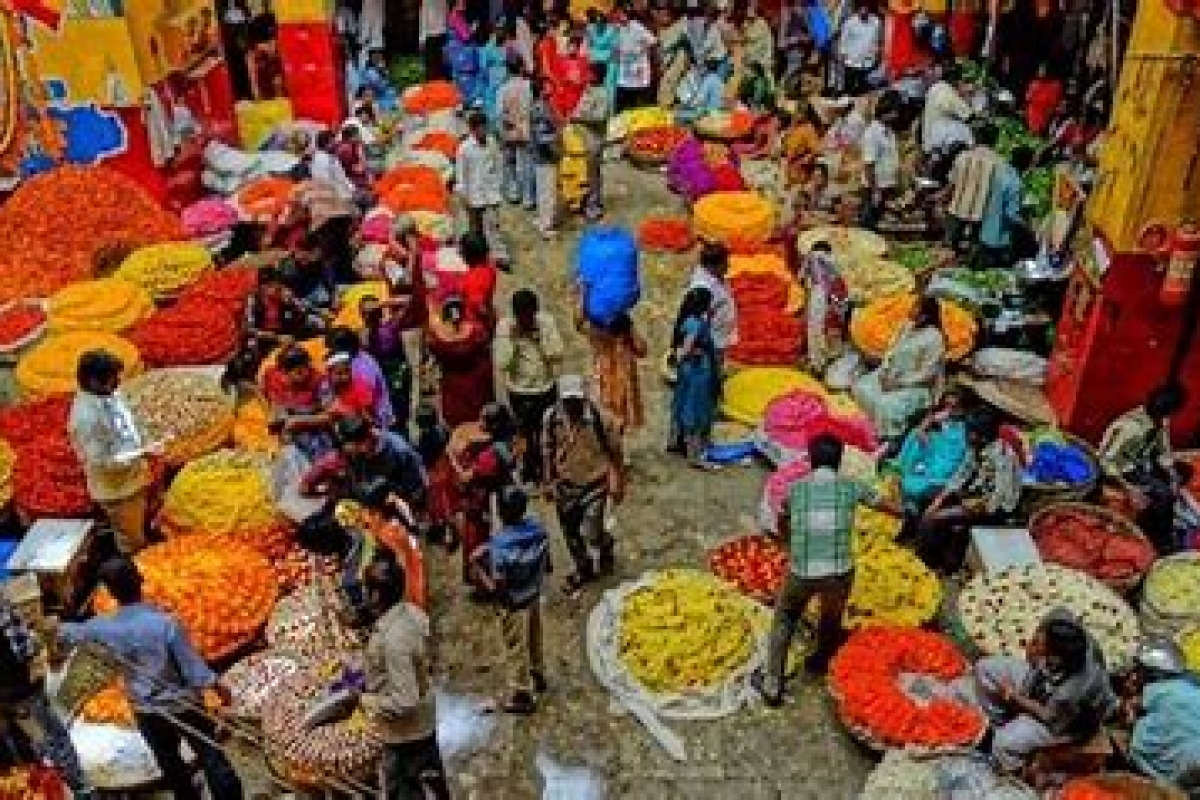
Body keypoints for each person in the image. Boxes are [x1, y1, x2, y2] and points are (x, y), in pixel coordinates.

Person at [59, 558, 244, 800]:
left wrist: (55, 624)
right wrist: (219, 688)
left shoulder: (102, 628)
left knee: (170, 763)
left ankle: (186, 796)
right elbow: (194, 671)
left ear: (111, 593)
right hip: (182, 704)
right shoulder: (166, 624)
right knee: (210, 753)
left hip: (145, 710)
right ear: (140, 581)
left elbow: (68, 633)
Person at [753, 435, 899, 704]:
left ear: (811, 460)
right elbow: (889, 507)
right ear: (840, 460)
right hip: (840, 572)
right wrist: (902, 510)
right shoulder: (851, 487)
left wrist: (788, 540)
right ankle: (821, 659)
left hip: (802, 571)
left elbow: (782, 520)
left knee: (785, 617)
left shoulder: (795, 489)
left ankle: (773, 682)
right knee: (831, 618)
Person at [972, 608, 1118, 775]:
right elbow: (1056, 614)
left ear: (1056, 658)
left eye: (1041, 644)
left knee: (1002, 743)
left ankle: (1013, 771)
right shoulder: (1066, 626)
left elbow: (1048, 716)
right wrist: (1033, 649)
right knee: (984, 669)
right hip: (1038, 683)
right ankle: (997, 722)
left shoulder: (1071, 691)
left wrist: (1014, 696)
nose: (1037, 643)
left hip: (1065, 723)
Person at [360, 559, 449, 799]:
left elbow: (405, 701)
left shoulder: (393, 641)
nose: (363, 594)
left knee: (405, 787)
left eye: (365, 589)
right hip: (423, 718)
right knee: (431, 774)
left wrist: (365, 701)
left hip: (406, 733)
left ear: (376, 595)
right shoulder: (410, 612)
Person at [542, 375, 625, 596]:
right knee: (570, 533)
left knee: (591, 531)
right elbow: (548, 450)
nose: (572, 405)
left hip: (594, 485)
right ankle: (583, 567)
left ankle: (604, 544)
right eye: (567, 401)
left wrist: (617, 480)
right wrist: (549, 481)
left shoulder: (601, 419)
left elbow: (616, 452)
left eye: (576, 400)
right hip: (565, 485)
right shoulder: (551, 419)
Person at [470, 485, 549, 714]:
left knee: (515, 646)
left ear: (501, 513)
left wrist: (477, 567)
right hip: (533, 592)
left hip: (512, 601)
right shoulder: (538, 529)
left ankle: (522, 693)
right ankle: (538, 672)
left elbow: (497, 585)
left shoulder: (499, 546)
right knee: (535, 634)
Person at [0, 595, 90, 797]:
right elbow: (23, 650)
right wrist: (38, 638)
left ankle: (41, 787)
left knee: (23, 747)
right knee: (52, 738)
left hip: (4, 697)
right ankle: (80, 788)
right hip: (21, 690)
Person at [914, 409, 1024, 573]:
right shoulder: (975, 447)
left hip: (996, 507)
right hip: (976, 492)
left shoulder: (1003, 457)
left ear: (983, 436)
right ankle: (937, 554)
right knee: (928, 499)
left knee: (934, 519)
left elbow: (998, 497)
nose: (966, 435)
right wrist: (940, 499)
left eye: (969, 432)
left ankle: (926, 564)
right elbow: (961, 475)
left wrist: (969, 507)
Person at [68, 351, 156, 555]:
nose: (117, 383)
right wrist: (139, 452)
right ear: (92, 381)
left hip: (132, 478)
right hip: (118, 489)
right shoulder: (85, 419)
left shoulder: (106, 395)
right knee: (131, 539)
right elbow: (103, 462)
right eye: (112, 379)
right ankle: (136, 572)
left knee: (137, 526)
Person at [1099, 385, 1188, 553]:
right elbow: (1105, 460)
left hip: (1141, 462)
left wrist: (1173, 474)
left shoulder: (1160, 420)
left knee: (1181, 474)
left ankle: (1157, 514)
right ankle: (1161, 537)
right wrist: (1129, 488)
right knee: (1165, 494)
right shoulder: (1130, 427)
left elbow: (1163, 449)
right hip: (1121, 468)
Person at [852, 295, 947, 440]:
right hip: (890, 375)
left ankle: (887, 438)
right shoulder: (906, 326)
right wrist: (884, 371)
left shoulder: (935, 338)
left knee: (886, 405)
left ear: (925, 316)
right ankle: (865, 427)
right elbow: (891, 351)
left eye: (916, 307)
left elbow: (928, 373)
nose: (911, 309)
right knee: (861, 388)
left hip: (916, 385)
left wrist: (898, 383)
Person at [495, 289, 564, 483]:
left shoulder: (546, 323)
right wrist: (513, 341)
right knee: (524, 432)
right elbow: (502, 363)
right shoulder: (505, 327)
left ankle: (548, 469)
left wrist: (539, 339)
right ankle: (528, 468)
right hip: (520, 391)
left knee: (547, 430)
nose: (525, 320)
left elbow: (558, 354)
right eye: (521, 316)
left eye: (529, 316)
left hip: (545, 387)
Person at [301, 414, 427, 511]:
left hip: (388, 507)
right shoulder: (348, 454)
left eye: (352, 447)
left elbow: (415, 487)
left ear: (367, 439)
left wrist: (396, 499)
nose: (348, 452)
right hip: (355, 507)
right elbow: (309, 482)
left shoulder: (399, 451)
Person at [1123, 637, 1200, 790]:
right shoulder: (1191, 681)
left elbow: (1132, 706)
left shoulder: (1158, 689)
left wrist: (1131, 718)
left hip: (1187, 761)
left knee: (1138, 746)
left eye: (1139, 669)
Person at [427, 296, 496, 428]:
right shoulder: (477, 331)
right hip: (477, 388)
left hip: (455, 390)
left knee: (458, 423)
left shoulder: (438, 341)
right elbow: (486, 345)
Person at [669, 287, 719, 467]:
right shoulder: (696, 325)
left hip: (687, 371)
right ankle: (695, 455)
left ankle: (676, 441)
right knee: (696, 410)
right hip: (698, 372)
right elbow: (687, 348)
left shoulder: (686, 320)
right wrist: (693, 353)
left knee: (682, 403)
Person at [457, 111, 511, 269]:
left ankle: (500, 257)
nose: (483, 131)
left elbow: (498, 163)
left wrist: (499, 185)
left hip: (490, 193)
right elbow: (461, 175)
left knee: (493, 225)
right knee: (476, 229)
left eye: (484, 127)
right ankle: (478, 257)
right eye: (479, 128)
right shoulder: (464, 149)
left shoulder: (492, 143)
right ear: (472, 130)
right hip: (472, 195)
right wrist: (463, 196)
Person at [581, 306, 646, 435]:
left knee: (606, 424)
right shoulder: (623, 333)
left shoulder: (595, 327)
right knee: (614, 426)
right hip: (619, 381)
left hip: (605, 379)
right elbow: (642, 349)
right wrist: (630, 328)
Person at [262, 343, 334, 460]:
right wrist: (275, 414)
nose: (304, 374)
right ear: (283, 371)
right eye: (297, 372)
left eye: (304, 369)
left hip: (313, 424)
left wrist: (299, 421)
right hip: (287, 423)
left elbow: (330, 416)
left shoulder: (320, 382)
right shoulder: (272, 376)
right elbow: (269, 398)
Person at [945, 122, 1002, 253]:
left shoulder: (962, 157)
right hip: (982, 216)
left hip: (958, 209)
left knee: (948, 251)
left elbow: (951, 185)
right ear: (995, 140)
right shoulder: (999, 163)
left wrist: (943, 199)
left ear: (976, 138)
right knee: (974, 250)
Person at [328, 326, 395, 430]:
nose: (331, 351)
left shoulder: (363, 368)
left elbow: (367, 405)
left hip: (377, 418)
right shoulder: (351, 359)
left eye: (333, 348)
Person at [978, 145, 1034, 267]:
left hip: (985, 231)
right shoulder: (1016, 185)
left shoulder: (1000, 173)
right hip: (1000, 239)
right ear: (1027, 164)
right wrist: (1028, 227)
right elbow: (1011, 215)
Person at [799, 241, 850, 372]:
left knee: (817, 333)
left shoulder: (812, 262)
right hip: (831, 308)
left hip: (822, 305)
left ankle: (818, 364)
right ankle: (823, 361)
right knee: (826, 335)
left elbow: (802, 279)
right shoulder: (832, 269)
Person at [573, 62, 612, 221]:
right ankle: (587, 200)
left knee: (593, 175)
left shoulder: (603, 94)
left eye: (590, 73)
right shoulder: (589, 89)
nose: (587, 75)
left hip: (594, 141)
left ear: (596, 75)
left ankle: (594, 206)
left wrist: (579, 118)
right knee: (584, 174)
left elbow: (600, 117)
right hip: (583, 139)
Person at [859, 92, 903, 229]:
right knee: (870, 225)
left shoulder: (889, 132)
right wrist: (875, 191)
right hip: (875, 188)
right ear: (887, 111)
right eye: (895, 112)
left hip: (887, 187)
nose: (897, 116)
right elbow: (869, 165)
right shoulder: (872, 133)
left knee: (883, 225)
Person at [529, 76, 563, 238]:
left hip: (540, 156)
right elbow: (542, 137)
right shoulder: (541, 109)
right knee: (548, 192)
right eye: (548, 86)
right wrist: (557, 138)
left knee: (542, 190)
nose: (551, 88)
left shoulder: (540, 106)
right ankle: (546, 226)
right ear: (542, 90)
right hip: (546, 156)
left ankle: (542, 218)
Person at [498, 55, 534, 207]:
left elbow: (500, 113)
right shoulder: (529, 86)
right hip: (527, 129)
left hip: (509, 130)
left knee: (510, 163)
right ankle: (528, 198)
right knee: (527, 164)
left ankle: (514, 193)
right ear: (521, 68)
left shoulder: (503, 89)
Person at [921, 63, 974, 156]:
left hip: (930, 142)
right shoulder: (947, 91)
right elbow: (968, 115)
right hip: (939, 146)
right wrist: (966, 95)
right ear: (958, 81)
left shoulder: (936, 88)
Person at [613, 9, 656, 112]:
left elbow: (653, 41)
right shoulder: (618, 29)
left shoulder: (637, 27)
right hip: (624, 71)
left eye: (621, 14)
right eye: (617, 14)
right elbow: (616, 47)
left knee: (638, 104)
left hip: (638, 69)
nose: (619, 16)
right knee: (622, 103)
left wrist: (639, 50)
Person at [837, 1, 882, 96]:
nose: (864, 11)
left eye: (866, 8)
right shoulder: (850, 23)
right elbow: (843, 41)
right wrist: (842, 56)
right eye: (861, 8)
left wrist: (876, 54)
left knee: (863, 90)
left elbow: (877, 40)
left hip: (868, 63)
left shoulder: (876, 22)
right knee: (848, 89)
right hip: (852, 62)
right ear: (857, 10)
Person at [310, 129, 359, 203]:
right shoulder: (322, 159)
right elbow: (326, 182)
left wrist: (353, 190)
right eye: (333, 141)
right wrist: (349, 194)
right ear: (327, 143)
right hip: (335, 198)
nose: (336, 144)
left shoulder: (330, 157)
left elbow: (342, 177)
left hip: (343, 194)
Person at [586, 9, 618, 104]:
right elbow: (589, 46)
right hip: (595, 59)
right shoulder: (590, 29)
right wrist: (592, 58)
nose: (598, 25)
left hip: (609, 61)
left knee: (609, 86)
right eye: (596, 23)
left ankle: (609, 109)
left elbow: (614, 49)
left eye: (601, 23)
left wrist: (603, 57)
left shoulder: (612, 30)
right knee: (592, 85)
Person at [1025, 63, 1064, 135]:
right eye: (1040, 70)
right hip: (1031, 118)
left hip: (1045, 121)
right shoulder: (1034, 83)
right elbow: (1028, 98)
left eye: (1042, 70)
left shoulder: (1055, 85)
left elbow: (1055, 104)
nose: (1040, 72)